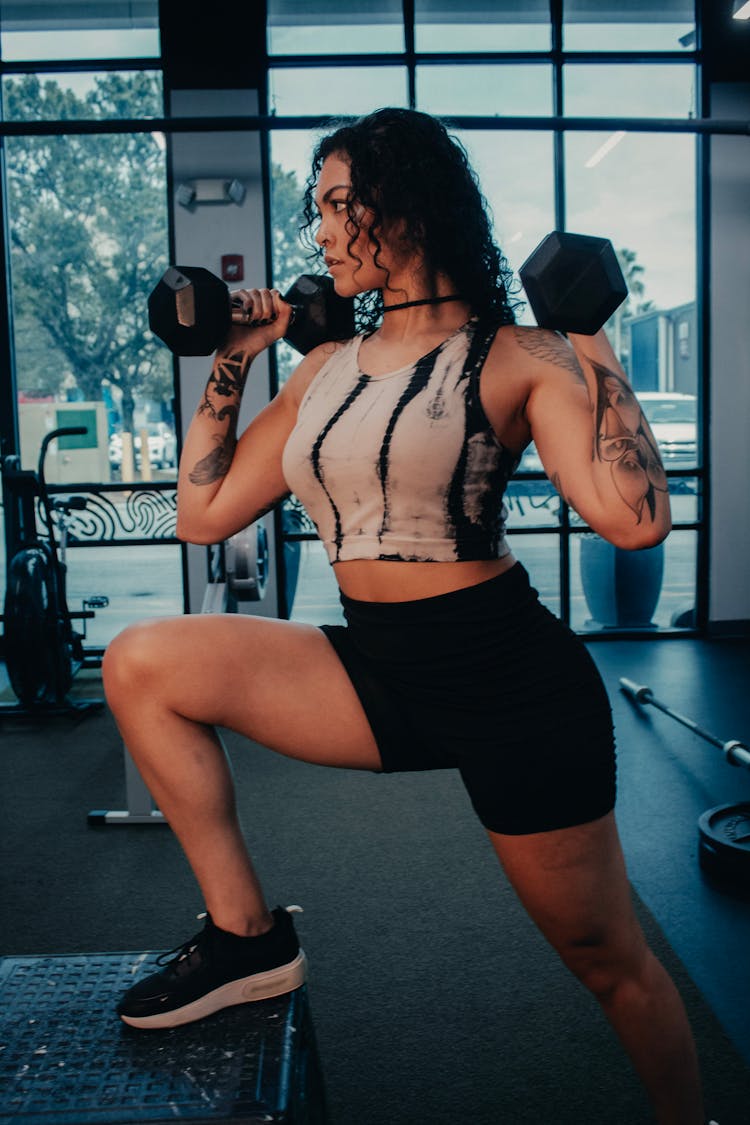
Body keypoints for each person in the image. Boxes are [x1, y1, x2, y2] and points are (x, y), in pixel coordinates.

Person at [103, 107, 706, 1124]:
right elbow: (204, 513)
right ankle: (250, 939)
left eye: (344, 204)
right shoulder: (326, 367)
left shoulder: (522, 355)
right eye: (321, 208)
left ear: (413, 207)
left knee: (609, 960)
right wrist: (238, 356)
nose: (325, 231)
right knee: (145, 663)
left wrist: (593, 337)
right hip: (374, 668)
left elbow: (633, 520)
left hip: (509, 681)